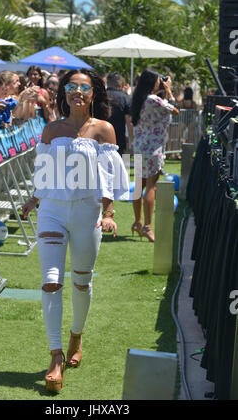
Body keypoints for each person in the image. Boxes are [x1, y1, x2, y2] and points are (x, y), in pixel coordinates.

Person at [21, 68, 129, 392]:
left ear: (93, 92)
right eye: (71, 87)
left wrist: (109, 211)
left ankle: (76, 335)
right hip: (52, 210)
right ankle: (55, 356)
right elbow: (44, 172)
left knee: (81, 281)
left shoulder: (104, 129)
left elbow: (108, 175)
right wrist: (32, 200)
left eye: (84, 87)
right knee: (51, 282)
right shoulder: (52, 129)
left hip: (86, 213)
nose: (77, 92)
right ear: (64, 92)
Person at [131, 68, 179, 242]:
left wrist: (163, 92)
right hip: (153, 149)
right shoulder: (154, 99)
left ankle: (137, 222)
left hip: (138, 147)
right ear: (153, 83)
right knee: (151, 186)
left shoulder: (140, 98)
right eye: (159, 80)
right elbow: (176, 110)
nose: (162, 82)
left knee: (139, 185)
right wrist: (169, 91)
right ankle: (148, 227)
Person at [106, 71, 133, 155]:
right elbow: (129, 122)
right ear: (121, 84)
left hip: (100, 139)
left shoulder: (99, 96)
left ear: (107, 83)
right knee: (123, 166)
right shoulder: (125, 98)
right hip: (119, 139)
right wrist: (132, 141)